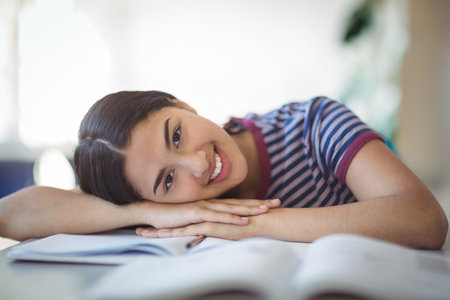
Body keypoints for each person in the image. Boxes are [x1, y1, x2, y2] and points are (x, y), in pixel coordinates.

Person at [0, 91, 447, 249]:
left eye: (176, 135)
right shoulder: (158, 204)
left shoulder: (313, 124)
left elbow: (425, 220)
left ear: (181, 104)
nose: (198, 163)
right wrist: (143, 212)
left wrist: (254, 223)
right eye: (167, 181)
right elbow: (11, 214)